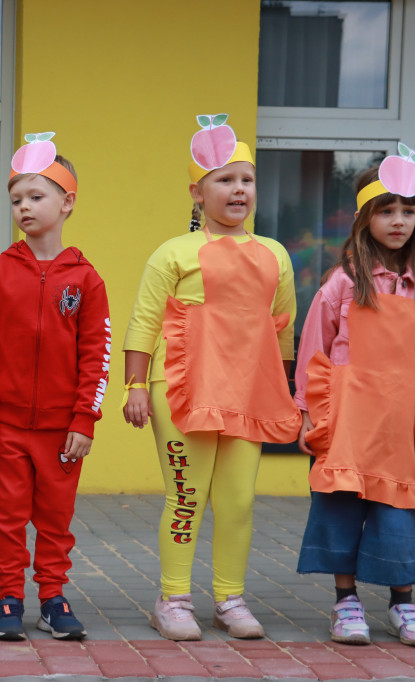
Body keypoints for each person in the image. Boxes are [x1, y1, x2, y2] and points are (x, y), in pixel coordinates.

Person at [123, 114, 300, 641]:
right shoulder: (172, 252)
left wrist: (285, 391)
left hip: (249, 389)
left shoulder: (276, 254)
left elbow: (282, 331)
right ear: (198, 193)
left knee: (239, 500)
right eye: (225, 180)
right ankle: (173, 598)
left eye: (246, 179)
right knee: (187, 495)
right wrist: (134, 387)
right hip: (181, 388)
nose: (238, 189)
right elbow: (143, 322)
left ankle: (230, 597)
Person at [295, 148, 415, 647]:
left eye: (408, 210)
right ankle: (346, 602)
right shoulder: (343, 283)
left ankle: (403, 602)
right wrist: (308, 413)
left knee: (395, 510)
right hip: (346, 418)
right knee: (342, 505)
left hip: (398, 422)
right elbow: (312, 350)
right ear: (365, 218)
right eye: (386, 210)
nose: (398, 221)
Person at [0, 132, 110, 641]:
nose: (24, 207)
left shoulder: (86, 279)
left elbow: (97, 355)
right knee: (6, 517)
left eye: (36, 196)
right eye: (17, 199)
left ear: (67, 202)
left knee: (55, 519)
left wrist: (84, 419)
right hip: (6, 427)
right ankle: (9, 597)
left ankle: (52, 596)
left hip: (62, 432)